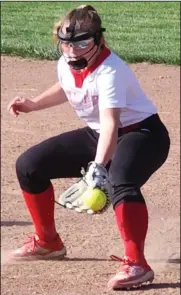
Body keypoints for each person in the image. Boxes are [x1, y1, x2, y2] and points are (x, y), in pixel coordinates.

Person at [7, 5, 170, 291]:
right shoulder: (66, 61)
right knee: (29, 166)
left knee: (121, 180)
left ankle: (137, 264)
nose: (72, 51)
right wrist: (33, 104)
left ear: (99, 40)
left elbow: (111, 123)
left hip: (143, 135)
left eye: (82, 43)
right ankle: (48, 243)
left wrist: (97, 168)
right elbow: (65, 86)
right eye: (66, 43)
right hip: (100, 133)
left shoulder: (111, 71)